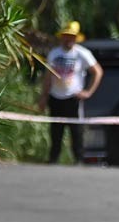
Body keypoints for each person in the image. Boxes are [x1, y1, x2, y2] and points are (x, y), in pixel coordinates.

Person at [38, 21, 103, 164]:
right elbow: (48, 77)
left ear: (76, 38)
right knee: (55, 131)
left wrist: (88, 92)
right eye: (66, 36)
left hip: (73, 98)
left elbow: (97, 71)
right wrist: (43, 97)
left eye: (71, 36)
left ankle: (78, 160)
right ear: (62, 37)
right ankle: (53, 159)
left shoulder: (82, 53)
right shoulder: (54, 53)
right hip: (56, 97)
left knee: (76, 131)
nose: (68, 39)